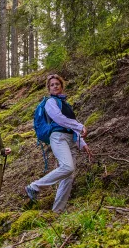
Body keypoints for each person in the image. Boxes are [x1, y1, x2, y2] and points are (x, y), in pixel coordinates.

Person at [25, 74, 93, 213]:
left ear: (62, 86)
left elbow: (70, 127)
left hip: (70, 139)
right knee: (67, 167)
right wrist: (80, 126)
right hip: (58, 137)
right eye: (52, 85)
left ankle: (57, 211)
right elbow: (59, 119)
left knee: (69, 176)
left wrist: (82, 143)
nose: (55, 86)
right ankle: (34, 187)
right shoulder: (51, 102)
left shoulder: (66, 105)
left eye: (57, 84)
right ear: (48, 89)